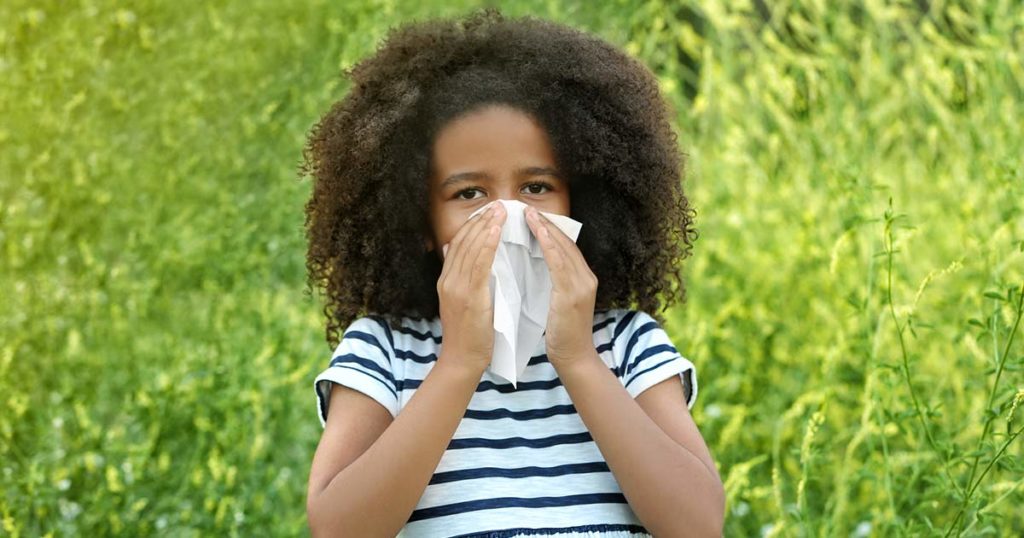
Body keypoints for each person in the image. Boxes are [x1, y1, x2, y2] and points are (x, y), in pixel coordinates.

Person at [300, 7, 724, 537]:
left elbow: (700, 525)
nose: (508, 216)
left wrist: (578, 357)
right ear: (421, 221)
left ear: (582, 199)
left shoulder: (625, 343)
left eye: (536, 187)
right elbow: (339, 529)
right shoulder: (386, 350)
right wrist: (459, 361)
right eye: (470, 193)